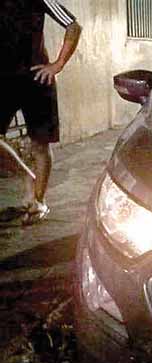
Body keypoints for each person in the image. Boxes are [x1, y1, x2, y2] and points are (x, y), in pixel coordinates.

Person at [1, 0, 82, 225]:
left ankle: (38, 201)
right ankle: (27, 176)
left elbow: (73, 26)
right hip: (3, 82)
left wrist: (58, 64)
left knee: (40, 144)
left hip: (37, 78)